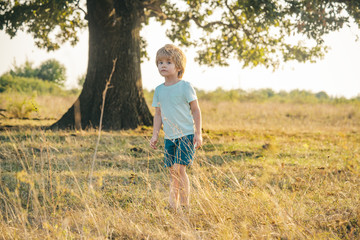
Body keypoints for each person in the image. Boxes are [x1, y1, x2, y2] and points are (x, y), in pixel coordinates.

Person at [150, 44, 203, 212]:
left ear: (178, 67)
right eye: (160, 63)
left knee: (180, 168)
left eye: (168, 62)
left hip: (186, 134)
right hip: (169, 137)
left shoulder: (185, 86)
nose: (163, 65)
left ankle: (185, 204)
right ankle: (173, 205)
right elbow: (158, 114)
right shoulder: (158, 90)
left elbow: (196, 110)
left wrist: (198, 133)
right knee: (173, 172)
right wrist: (155, 135)